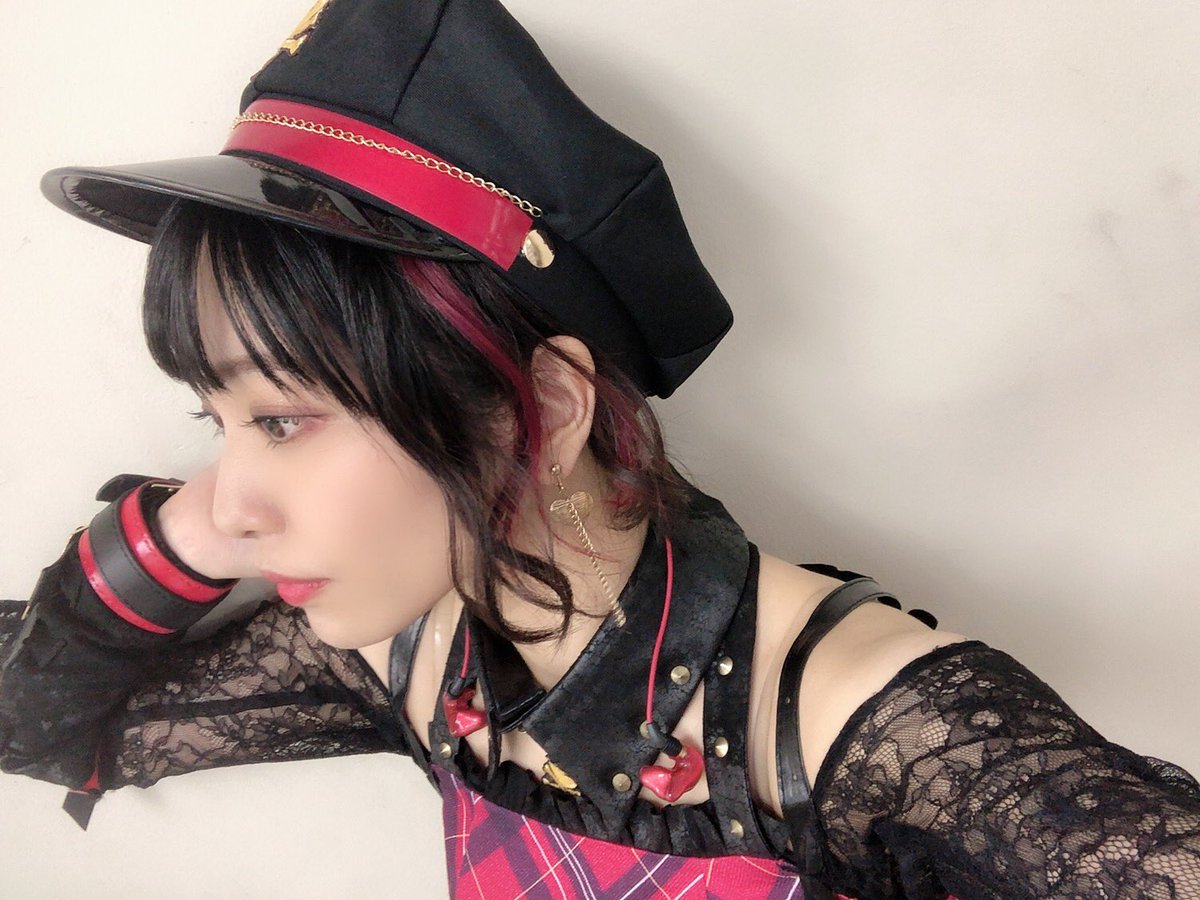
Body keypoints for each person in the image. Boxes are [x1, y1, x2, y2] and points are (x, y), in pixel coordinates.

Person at [3, 1, 1200, 897]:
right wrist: (172, 540)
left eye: (282, 419)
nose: (235, 501)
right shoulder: (416, 648)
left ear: (543, 409)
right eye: (212, 420)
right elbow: (35, 724)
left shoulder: (857, 725)